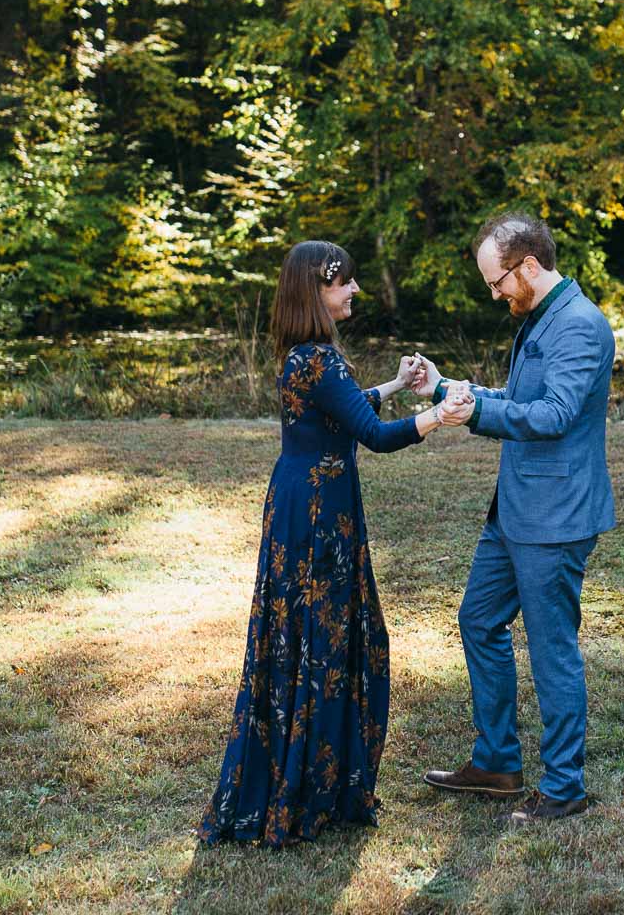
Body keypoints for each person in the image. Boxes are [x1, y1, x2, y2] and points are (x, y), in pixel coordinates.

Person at [198, 240, 473, 848]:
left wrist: (398, 385)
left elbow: (342, 412)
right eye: (342, 283)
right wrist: (439, 417)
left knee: (307, 638)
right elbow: (371, 435)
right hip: (318, 517)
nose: (353, 291)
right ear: (314, 292)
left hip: (306, 504)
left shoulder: (308, 357)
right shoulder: (318, 360)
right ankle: (310, 789)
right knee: (325, 641)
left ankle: (312, 781)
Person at [414, 212, 617, 824]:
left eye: (497, 281)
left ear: (529, 265)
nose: (495, 293)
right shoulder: (540, 317)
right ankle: (498, 762)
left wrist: (471, 416)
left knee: (552, 650)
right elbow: (519, 398)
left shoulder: (579, 326)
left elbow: (552, 415)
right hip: (515, 513)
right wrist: (443, 387)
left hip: (554, 518)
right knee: (478, 620)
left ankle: (563, 788)